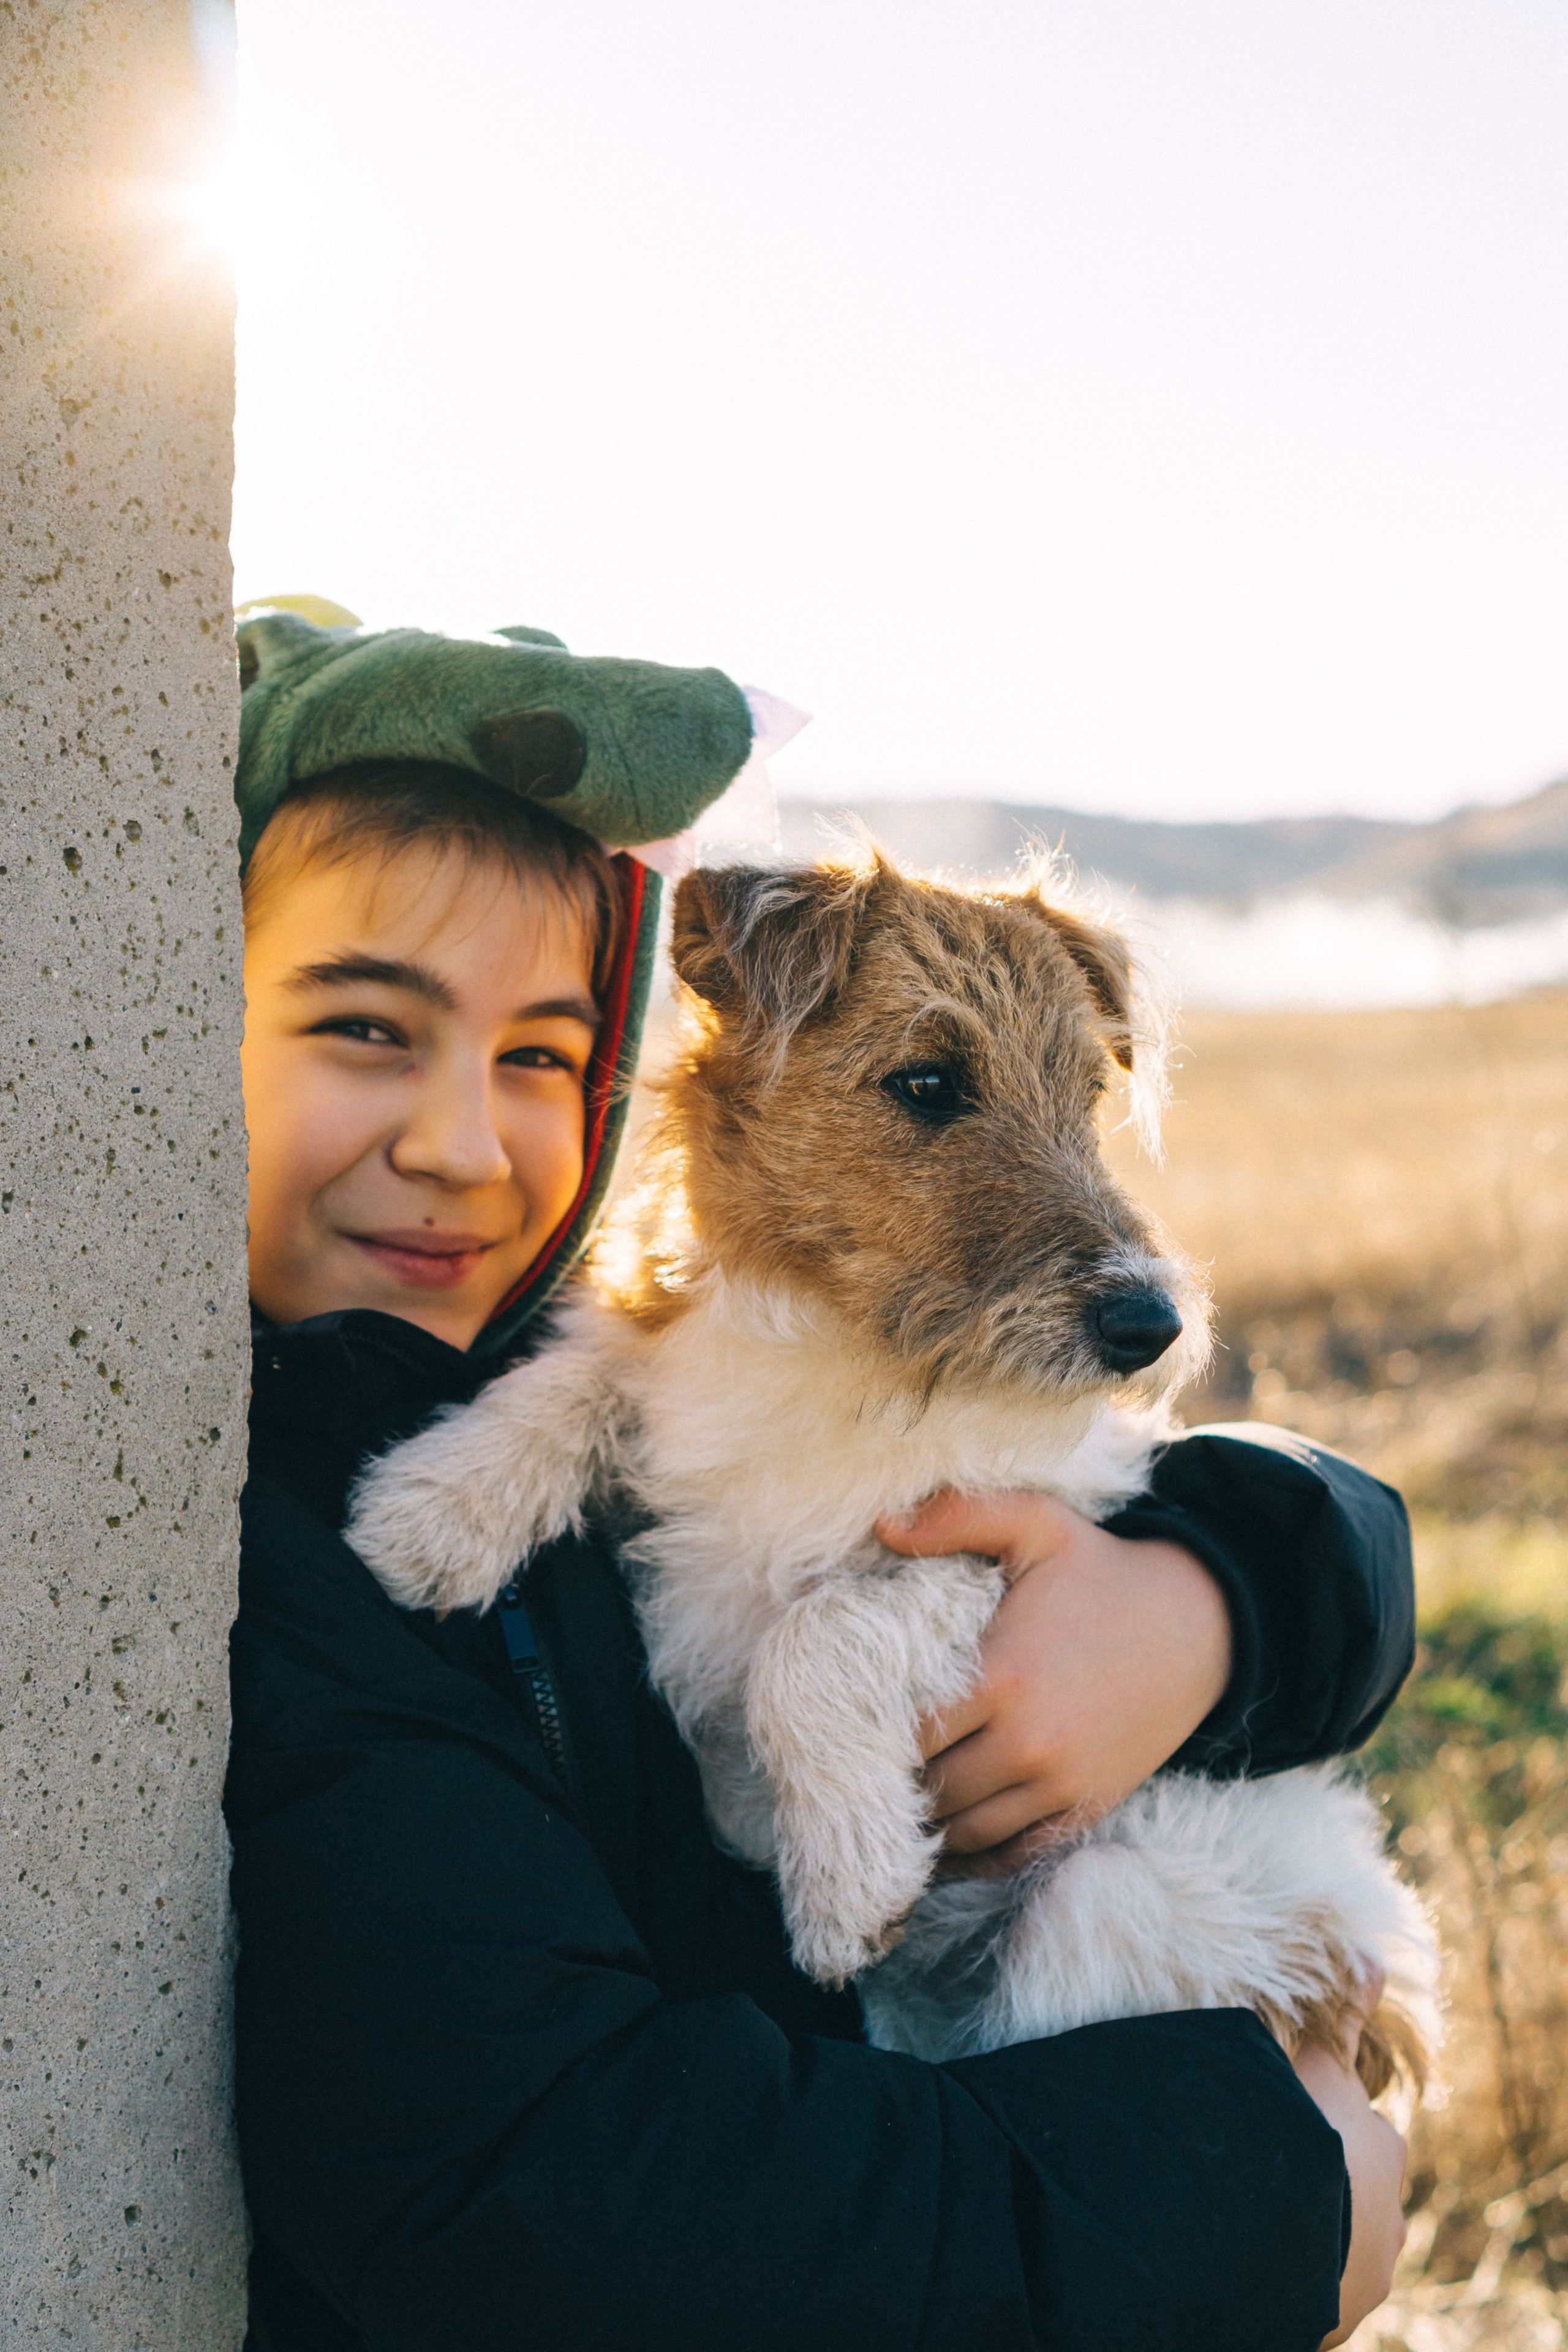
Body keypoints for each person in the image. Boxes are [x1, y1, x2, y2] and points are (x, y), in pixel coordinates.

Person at [228, 611, 1412, 2352]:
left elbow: (1177, 1501)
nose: (464, 1146)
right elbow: (566, 2196)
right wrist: (1283, 2193)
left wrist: (1216, 1594)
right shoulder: (258, 1563)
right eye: (362, 1029)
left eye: (546, 1057)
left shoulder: (547, 1326)